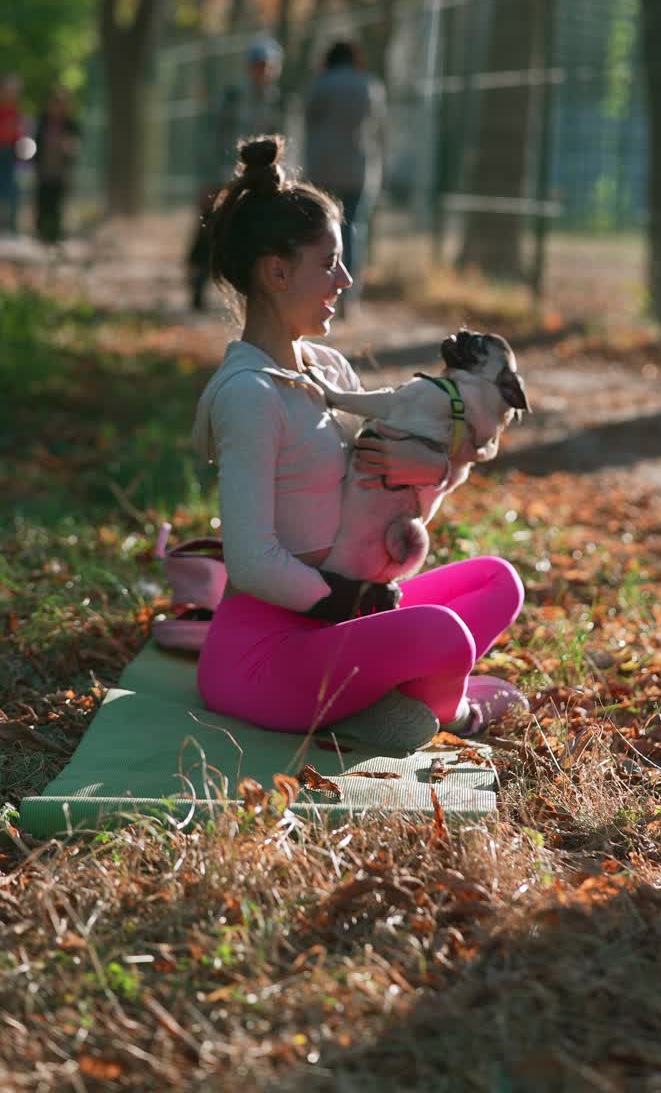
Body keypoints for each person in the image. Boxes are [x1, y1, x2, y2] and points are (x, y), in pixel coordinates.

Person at [191, 135, 527, 749]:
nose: (345, 279)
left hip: (342, 620)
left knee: (500, 582)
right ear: (277, 272)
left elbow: (388, 484)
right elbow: (250, 558)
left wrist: (428, 465)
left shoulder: (330, 368)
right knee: (445, 635)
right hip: (264, 655)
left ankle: (378, 696)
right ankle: (446, 711)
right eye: (329, 264)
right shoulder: (248, 394)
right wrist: (351, 602)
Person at [187, 39, 284, 312]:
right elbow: (209, 139)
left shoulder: (277, 103)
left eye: (267, 66)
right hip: (222, 176)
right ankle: (198, 281)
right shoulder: (230, 99)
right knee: (210, 232)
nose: (261, 71)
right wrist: (205, 178)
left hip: (258, 182)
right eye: (257, 65)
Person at [304, 40, 385, 307]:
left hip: (323, 169)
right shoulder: (369, 86)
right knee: (352, 230)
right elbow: (377, 123)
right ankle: (349, 294)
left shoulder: (321, 84)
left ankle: (318, 290)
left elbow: (308, 115)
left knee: (319, 231)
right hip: (357, 168)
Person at [34, 87, 80, 245]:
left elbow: (76, 146)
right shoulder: (42, 122)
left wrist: (70, 147)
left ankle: (55, 235)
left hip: (61, 170)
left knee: (57, 203)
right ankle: (40, 234)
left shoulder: (71, 125)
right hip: (44, 168)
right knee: (42, 201)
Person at [0, 74, 24, 234]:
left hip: (10, 153)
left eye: (16, 91)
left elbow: (17, 135)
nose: (13, 94)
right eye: (9, 90)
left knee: (12, 190)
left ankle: (11, 227)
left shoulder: (15, 112)